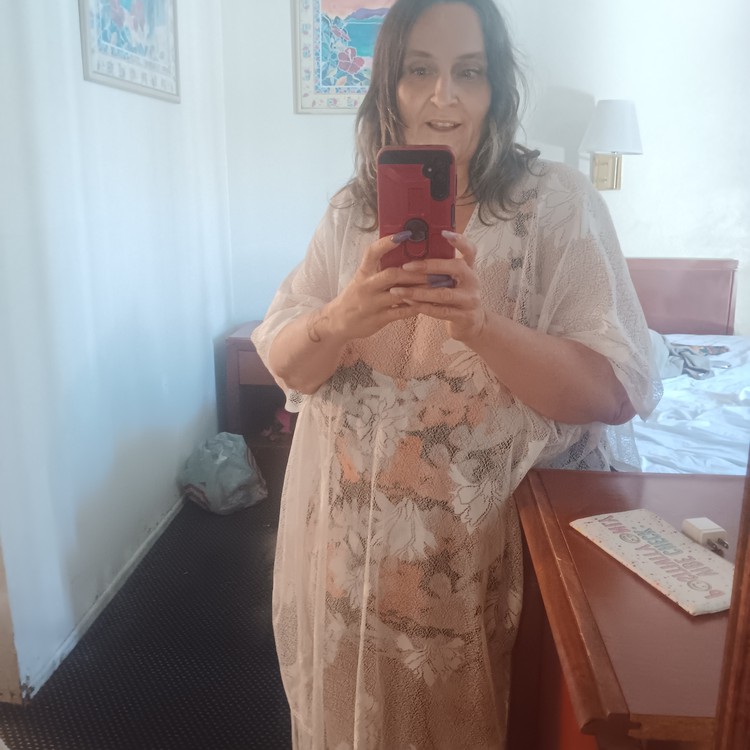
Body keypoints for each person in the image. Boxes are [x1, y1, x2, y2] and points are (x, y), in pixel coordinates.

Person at [251, 0, 660, 747]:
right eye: (420, 70)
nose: (444, 97)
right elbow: (285, 360)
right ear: (389, 87)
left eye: (469, 72)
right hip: (349, 567)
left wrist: (482, 326)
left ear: (497, 87)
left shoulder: (556, 204)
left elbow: (613, 389)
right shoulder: (352, 212)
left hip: (484, 582)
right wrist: (340, 319)